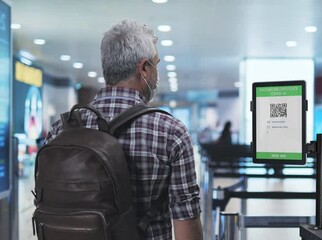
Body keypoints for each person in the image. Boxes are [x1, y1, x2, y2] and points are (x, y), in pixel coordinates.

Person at [45, 20, 203, 240]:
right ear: (144, 69)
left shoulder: (62, 129)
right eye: (156, 65)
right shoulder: (170, 132)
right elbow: (186, 223)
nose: (157, 74)